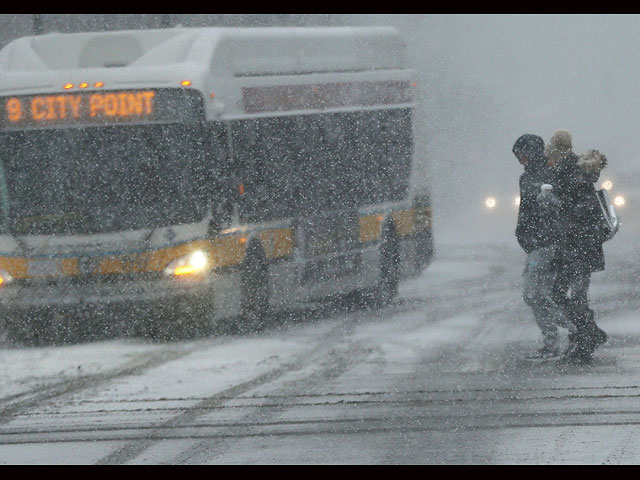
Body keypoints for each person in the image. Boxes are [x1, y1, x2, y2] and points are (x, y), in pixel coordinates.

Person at [545, 129, 608, 365]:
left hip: (578, 245)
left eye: (551, 155)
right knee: (568, 293)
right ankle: (588, 334)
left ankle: (586, 338)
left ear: (557, 152)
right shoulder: (571, 171)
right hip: (578, 246)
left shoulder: (571, 173)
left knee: (566, 293)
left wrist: (555, 205)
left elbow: (580, 210)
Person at [513, 134, 574, 359]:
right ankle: (567, 334)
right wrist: (523, 235)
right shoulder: (526, 177)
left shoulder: (549, 175)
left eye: (522, 154)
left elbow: (560, 208)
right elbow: (525, 211)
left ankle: (569, 332)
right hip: (536, 244)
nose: (520, 160)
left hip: (547, 243)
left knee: (535, 294)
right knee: (535, 294)